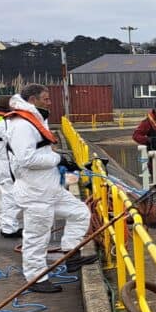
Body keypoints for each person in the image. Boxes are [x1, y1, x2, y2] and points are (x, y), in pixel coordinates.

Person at [6, 85, 95, 294]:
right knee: (37, 237)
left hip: (50, 188)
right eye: (45, 99)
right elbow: (26, 159)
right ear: (32, 99)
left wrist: (62, 160)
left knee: (80, 213)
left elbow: (42, 150)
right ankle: (36, 278)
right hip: (35, 192)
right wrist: (58, 158)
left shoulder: (35, 119)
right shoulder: (21, 125)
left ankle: (71, 255)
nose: (49, 102)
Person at [0, 96, 23, 238]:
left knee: (3, 195)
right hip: (5, 162)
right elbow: (14, 139)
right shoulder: (6, 122)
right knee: (10, 195)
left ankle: (4, 224)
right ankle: (9, 228)